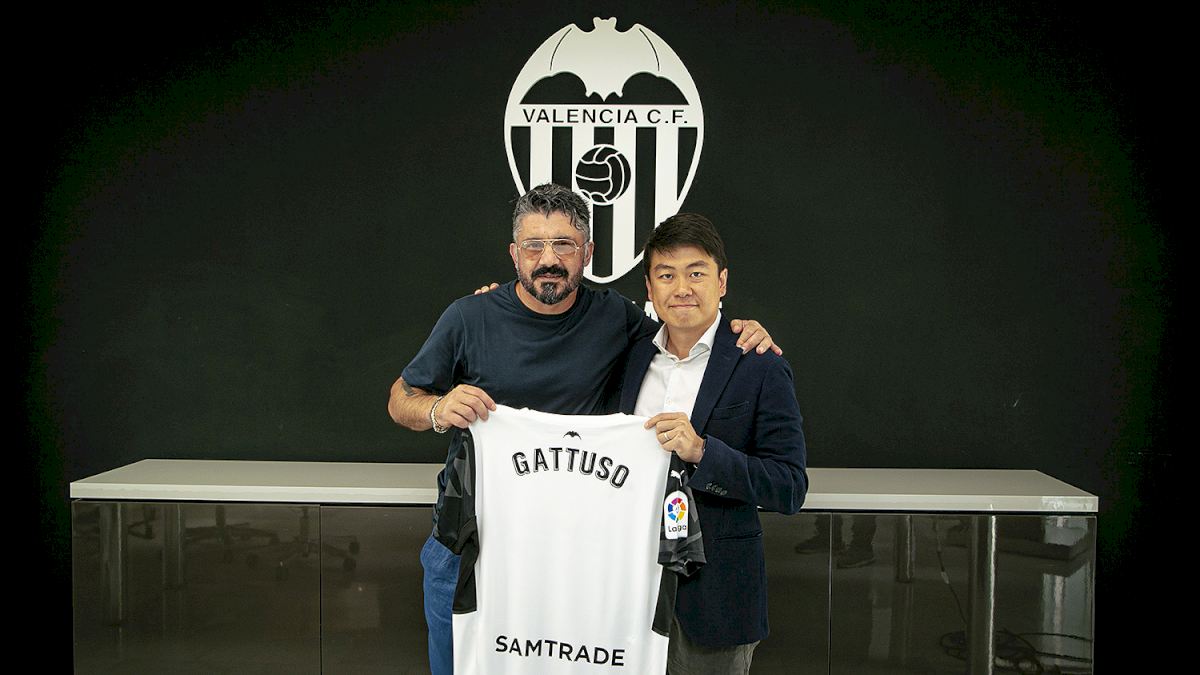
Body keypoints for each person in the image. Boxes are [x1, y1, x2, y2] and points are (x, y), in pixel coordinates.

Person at [386, 183, 780, 675]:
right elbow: (400, 398)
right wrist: (438, 408)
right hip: (469, 542)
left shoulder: (617, 319)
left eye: (564, 245)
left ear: (588, 253)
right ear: (514, 254)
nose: (548, 259)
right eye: (534, 245)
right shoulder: (469, 317)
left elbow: (684, 333)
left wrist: (738, 330)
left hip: (571, 554)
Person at [619, 213, 808, 674]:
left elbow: (788, 486)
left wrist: (703, 452)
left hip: (715, 600)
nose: (682, 288)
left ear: (721, 282)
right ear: (649, 288)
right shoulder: (627, 356)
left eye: (696, 273)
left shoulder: (760, 364)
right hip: (625, 594)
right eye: (667, 275)